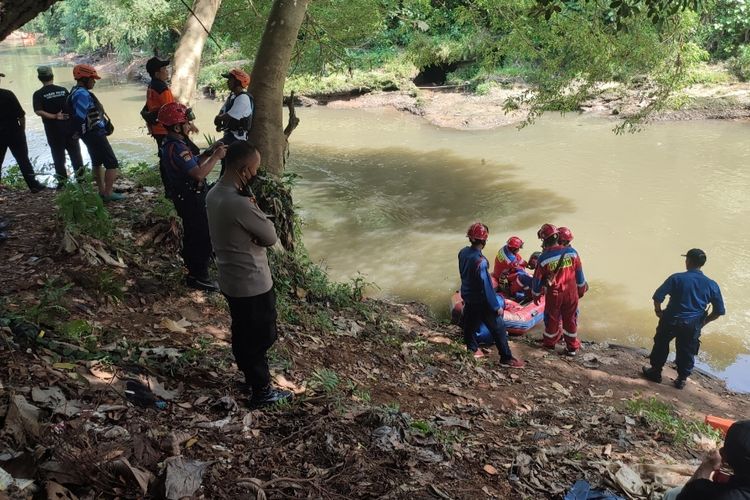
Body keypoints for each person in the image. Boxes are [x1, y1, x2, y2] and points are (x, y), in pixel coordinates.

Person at [206, 141, 294, 407]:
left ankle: (250, 377)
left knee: (242, 330)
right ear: (244, 170)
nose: (255, 174)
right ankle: (261, 391)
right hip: (252, 282)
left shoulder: (212, 194)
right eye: (254, 169)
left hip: (230, 278)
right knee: (261, 336)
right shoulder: (240, 204)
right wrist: (256, 214)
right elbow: (269, 236)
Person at [158, 102, 226, 292]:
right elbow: (198, 174)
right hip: (190, 198)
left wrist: (209, 152)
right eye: (186, 123)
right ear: (177, 127)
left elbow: (194, 163)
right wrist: (216, 157)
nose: (189, 126)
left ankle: (195, 270)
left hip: (187, 196)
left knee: (195, 233)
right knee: (200, 235)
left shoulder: (175, 145)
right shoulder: (178, 148)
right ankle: (199, 276)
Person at [642, 248, 725, 389]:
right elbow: (718, 311)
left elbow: (658, 297)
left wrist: (658, 311)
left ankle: (655, 372)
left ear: (688, 261)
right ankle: (681, 379)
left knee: (661, 343)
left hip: (670, 320)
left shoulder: (676, 278)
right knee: (687, 350)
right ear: (702, 264)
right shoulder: (712, 284)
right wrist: (703, 322)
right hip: (692, 325)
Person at [458, 222, 525, 367]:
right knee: (499, 328)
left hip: (468, 296)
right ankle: (506, 358)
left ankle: (472, 349)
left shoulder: (463, 253)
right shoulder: (480, 262)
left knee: (469, 324)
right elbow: (486, 287)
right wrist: (495, 306)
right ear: (484, 240)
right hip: (481, 300)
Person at [69, 64, 124, 201]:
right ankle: (108, 193)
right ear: (84, 78)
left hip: (89, 134)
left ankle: (101, 191)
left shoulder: (75, 91)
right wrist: (78, 133)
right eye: (92, 78)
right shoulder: (82, 94)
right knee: (112, 163)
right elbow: (79, 117)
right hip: (94, 134)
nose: (94, 81)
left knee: (96, 161)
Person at [532, 223, 588, 356]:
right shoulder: (572, 253)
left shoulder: (543, 258)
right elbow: (580, 275)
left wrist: (535, 294)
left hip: (555, 294)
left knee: (552, 319)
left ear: (544, 240)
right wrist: (581, 290)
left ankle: (550, 344)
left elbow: (537, 280)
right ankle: (572, 347)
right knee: (570, 319)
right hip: (571, 293)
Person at [661, 420, 750, 499]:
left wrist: (707, 465)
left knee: (672, 494)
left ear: (723, 455)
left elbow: (685, 495)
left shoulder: (708, 493)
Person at [32, 65, 84, 187]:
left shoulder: (38, 94)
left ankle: (62, 183)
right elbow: (72, 108)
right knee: (76, 155)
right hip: (69, 128)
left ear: (40, 78)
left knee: (58, 157)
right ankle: (81, 180)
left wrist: (54, 116)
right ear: (52, 76)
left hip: (53, 131)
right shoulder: (63, 90)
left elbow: (38, 111)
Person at [0, 73, 46, 193]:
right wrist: (22, 130)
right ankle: (34, 185)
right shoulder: (7, 94)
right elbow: (21, 115)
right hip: (14, 132)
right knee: (23, 159)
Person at [142, 57, 175, 196]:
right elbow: (170, 111)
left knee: (164, 158)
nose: (167, 71)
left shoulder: (151, 86)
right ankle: (171, 190)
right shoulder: (162, 89)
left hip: (157, 129)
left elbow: (148, 108)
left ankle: (169, 189)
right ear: (157, 73)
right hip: (165, 130)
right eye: (164, 69)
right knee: (171, 160)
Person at [213, 68, 253, 174]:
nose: (227, 82)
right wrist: (219, 119)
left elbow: (228, 116)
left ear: (237, 82)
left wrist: (219, 119)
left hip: (237, 138)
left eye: (230, 79)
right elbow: (222, 111)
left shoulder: (243, 98)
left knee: (212, 151)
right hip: (229, 135)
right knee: (223, 162)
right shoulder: (232, 97)